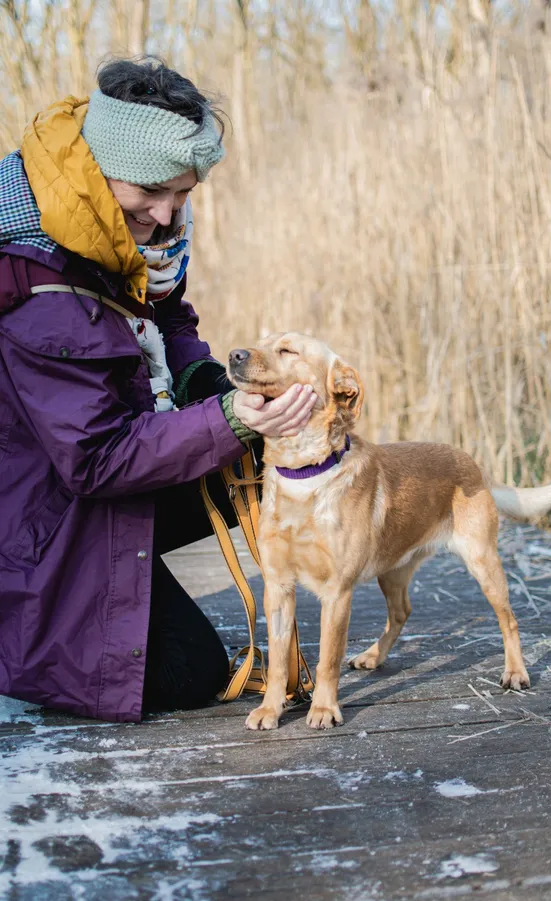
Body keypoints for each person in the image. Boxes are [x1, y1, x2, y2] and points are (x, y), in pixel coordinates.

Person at [0, 57, 317, 722]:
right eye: (155, 190)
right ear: (107, 163)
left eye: (184, 191)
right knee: (184, 671)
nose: (169, 212)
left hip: (80, 483)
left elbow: (164, 314)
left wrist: (209, 383)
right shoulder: (41, 281)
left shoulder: (112, 224)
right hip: (38, 516)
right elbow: (95, 457)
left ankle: (126, 584)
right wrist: (227, 417)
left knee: (258, 453)